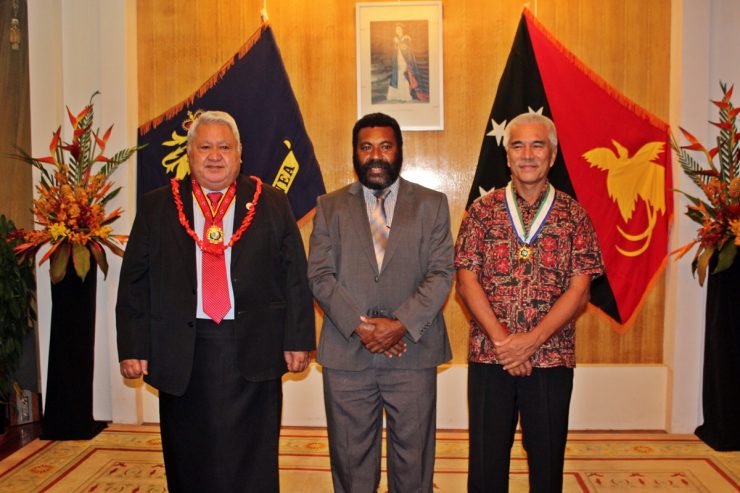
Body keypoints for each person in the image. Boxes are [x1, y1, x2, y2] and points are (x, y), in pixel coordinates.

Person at [116, 110, 315, 492]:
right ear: (189, 155)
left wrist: (299, 339)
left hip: (254, 343)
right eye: (204, 147)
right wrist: (132, 346)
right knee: (189, 454)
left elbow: (294, 275)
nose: (214, 156)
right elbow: (134, 282)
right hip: (182, 349)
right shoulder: (159, 205)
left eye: (224, 147)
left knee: (253, 457)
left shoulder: (271, 203)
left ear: (240, 155)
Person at [455, 113, 604, 492]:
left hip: (552, 358)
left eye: (538, 145)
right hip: (492, 356)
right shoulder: (481, 212)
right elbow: (466, 279)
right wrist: (505, 342)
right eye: (518, 145)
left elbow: (580, 288)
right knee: (486, 463)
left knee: (547, 461)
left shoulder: (574, 216)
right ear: (507, 157)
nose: (527, 154)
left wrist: (531, 340)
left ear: (552, 155)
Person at [308, 112, 453, 492]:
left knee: (414, 461)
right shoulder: (329, 206)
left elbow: (441, 273)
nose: (376, 155)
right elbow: (320, 276)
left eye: (385, 146)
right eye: (366, 147)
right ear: (355, 153)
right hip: (347, 353)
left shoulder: (432, 204)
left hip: (413, 354)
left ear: (400, 151)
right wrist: (361, 326)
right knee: (351, 460)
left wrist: (399, 324)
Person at [386, 23, 429, 103]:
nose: (397, 31)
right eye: (396, 29)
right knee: (397, 76)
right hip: (397, 60)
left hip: (404, 60)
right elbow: (394, 51)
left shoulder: (406, 39)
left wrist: (398, 42)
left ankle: (405, 95)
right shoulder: (395, 39)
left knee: (404, 76)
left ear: (402, 30)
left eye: (399, 29)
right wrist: (396, 44)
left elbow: (405, 49)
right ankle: (396, 95)